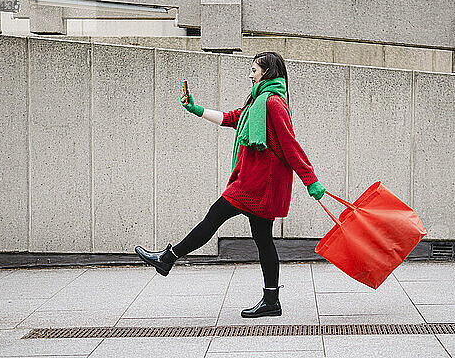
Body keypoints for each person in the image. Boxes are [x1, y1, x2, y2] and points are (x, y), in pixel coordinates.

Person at [135, 51, 325, 318]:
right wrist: (196, 109)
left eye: (254, 70)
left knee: (214, 217)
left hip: (258, 184)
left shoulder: (273, 104)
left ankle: (167, 259)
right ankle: (271, 301)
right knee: (263, 240)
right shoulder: (259, 101)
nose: (250, 74)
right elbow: (233, 118)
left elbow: (291, 146)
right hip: (253, 181)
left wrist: (311, 180)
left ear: (267, 72)